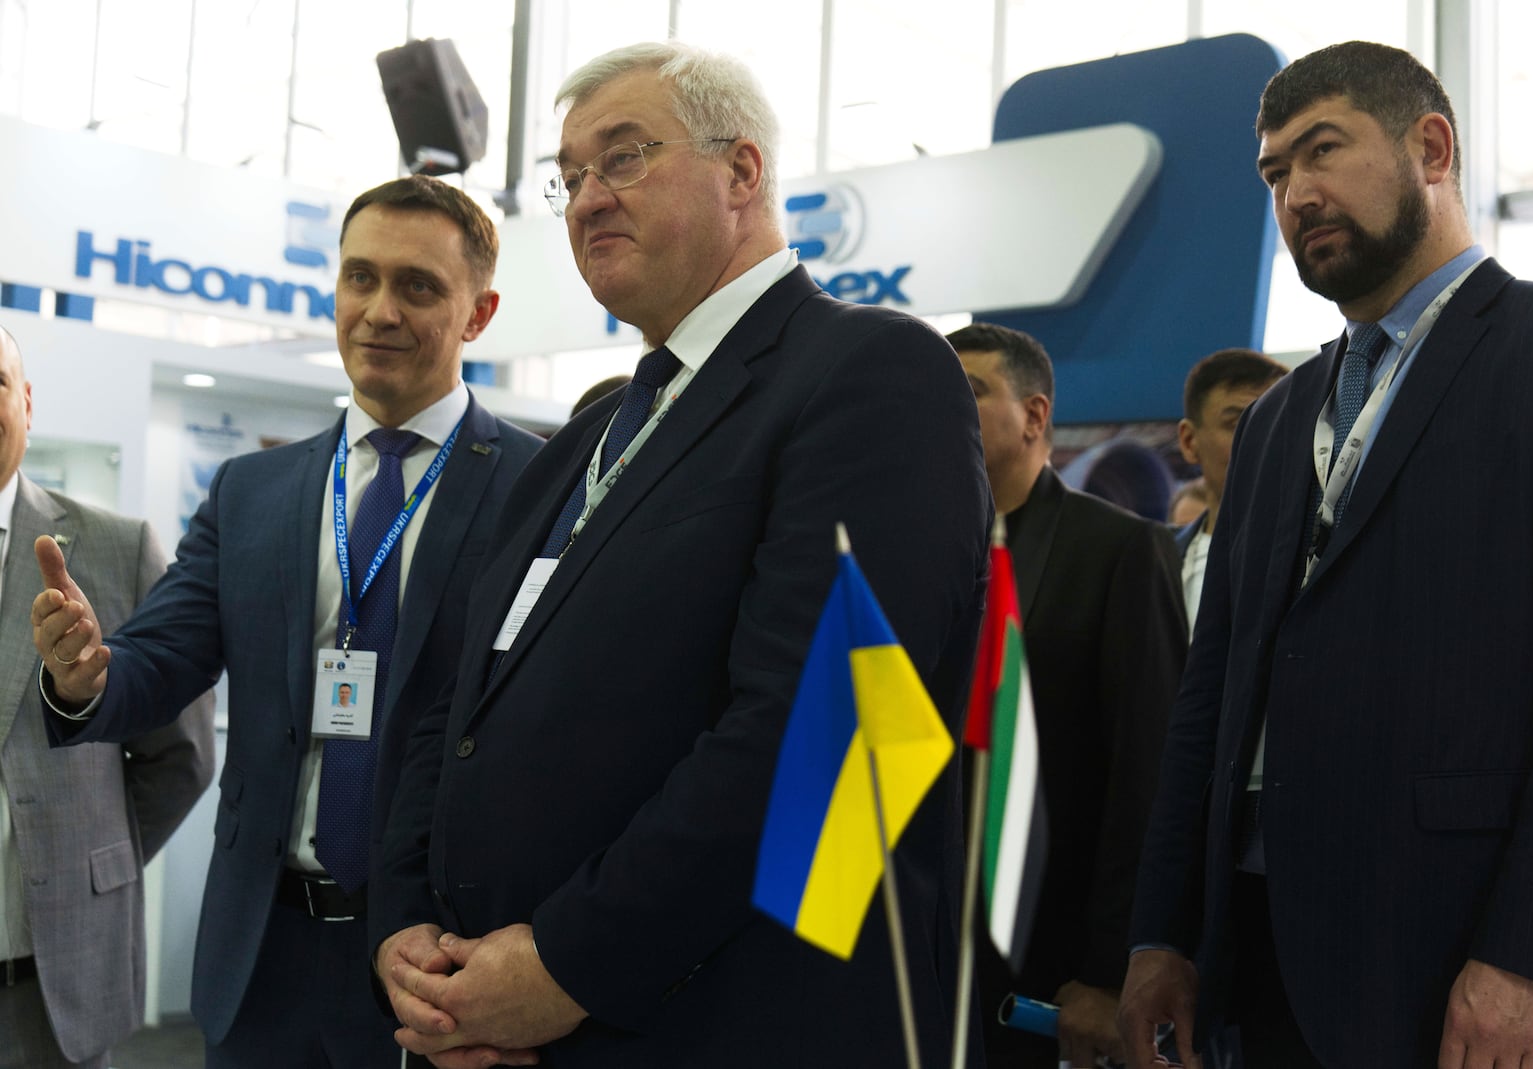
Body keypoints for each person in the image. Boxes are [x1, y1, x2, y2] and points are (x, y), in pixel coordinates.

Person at [370, 41, 989, 1068]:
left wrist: (569, 963)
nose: (584, 200)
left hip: (715, 1021)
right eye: (566, 177)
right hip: (492, 1013)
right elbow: (459, 701)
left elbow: (828, 732)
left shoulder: (869, 371)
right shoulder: (594, 431)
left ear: (742, 173)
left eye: (622, 157)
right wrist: (404, 924)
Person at [1120, 41, 1533, 1069]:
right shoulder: (1277, 416)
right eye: (1273, 173)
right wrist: (1163, 929)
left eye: (1322, 150)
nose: (1295, 192)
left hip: (1462, 956)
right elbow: (1210, 693)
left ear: (1431, 146)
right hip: (1258, 953)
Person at [29, 176, 542, 1068]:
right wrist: (88, 677)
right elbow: (164, 654)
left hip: (437, 955)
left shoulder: (537, 489)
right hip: (260, 949)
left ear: (479, 312)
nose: (379, 310)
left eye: (418, 286)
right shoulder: (253, 490)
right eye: (359, 278)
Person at [947, 323, 1186, 1069]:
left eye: (973, 390)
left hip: (1055, 960)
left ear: (1036, 415)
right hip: (924, 950)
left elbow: (1148, 774)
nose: (948, 408)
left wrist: (1112, 967)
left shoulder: (1118, 550)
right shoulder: (915, 553)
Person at [0, 324, 213, 1069]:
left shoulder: (114, 549)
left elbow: (179, 755)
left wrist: (89, 867)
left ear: (26, 403)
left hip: (45, 983)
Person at [1172, 349, 1285, 632]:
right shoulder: (1152, 563)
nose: (1263, 440)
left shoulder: (1311, 565)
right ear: (1189, 441)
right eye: (1237, 424)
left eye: (1279, 422)